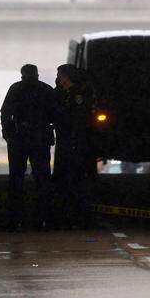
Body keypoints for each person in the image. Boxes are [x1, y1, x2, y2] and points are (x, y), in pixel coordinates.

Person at [0, 64, 59, 230]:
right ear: (37, 74)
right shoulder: (46, 90)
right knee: (42, 180)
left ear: (22, 75)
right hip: (40, 139)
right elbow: (55, 114)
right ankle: (43, 219)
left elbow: (5, 112)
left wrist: (8, 134)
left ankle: (15, 219)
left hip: (19, 139)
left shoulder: (16, 89)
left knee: (16, 179)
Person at [55, 64, 95, 228]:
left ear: (67, 76)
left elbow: (78, 121)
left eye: (61, 75)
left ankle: (78, 216)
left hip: (74, 143)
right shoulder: (65, 94)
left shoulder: (77, 95)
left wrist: (73, 141)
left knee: (75, 180)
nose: (59, 79)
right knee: (66, 179)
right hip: (67, 142)